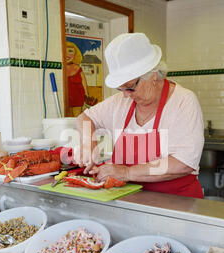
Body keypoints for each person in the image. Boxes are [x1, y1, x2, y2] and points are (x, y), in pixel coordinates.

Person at [75, 33, 204, 199]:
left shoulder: (183, 102)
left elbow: (183, 163)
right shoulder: (120, 102)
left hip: (177, 201)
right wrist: (88, 142)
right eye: (121, 89)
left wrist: (127, 172)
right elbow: (85, 118)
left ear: (154, 76)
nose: (126, 96)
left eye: (130, 87)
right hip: (128, 199)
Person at [66, 41, 89, 117]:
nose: (67, 54)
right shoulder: (61, 69)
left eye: (70, 51)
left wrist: (86, 95)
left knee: (77, 118)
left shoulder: (78, 68)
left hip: (78, 98)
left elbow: (84, 83)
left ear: (75, 54)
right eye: (65, 51)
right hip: (66, 98)